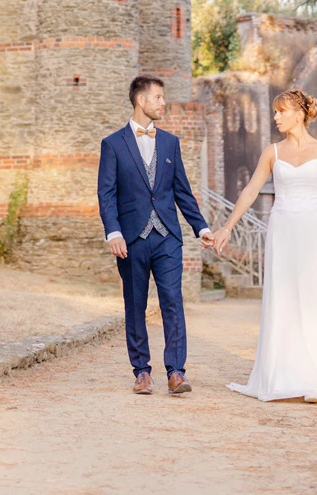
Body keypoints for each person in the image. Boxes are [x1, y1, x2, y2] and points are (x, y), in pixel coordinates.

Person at [212, 87, 317, 403]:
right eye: (275, 111)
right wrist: (227, 227)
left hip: (314, 231)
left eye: (281, 111)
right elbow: (251, 190)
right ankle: (284, 376)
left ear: (299, 114)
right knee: (284, 300)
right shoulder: (272, 152)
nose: (276, 117)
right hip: (282, 232)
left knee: (316, 299)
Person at [98, 73, 214, 395]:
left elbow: (182, 192)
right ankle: (141, 372)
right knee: (135, 304)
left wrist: (201, 227)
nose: (164, 103)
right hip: (130, 239)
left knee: (172, 301)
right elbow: (106, 194)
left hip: (167, 237)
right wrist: (113, 232)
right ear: (141, 100)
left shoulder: (170, 143)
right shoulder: (112, 144)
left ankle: (176, 371)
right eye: (159, 97)